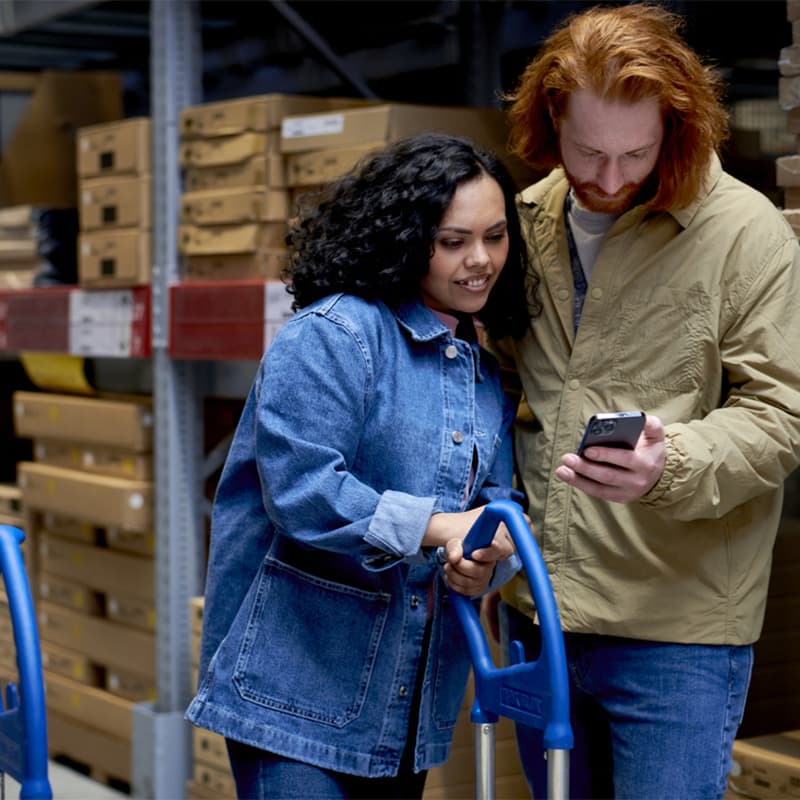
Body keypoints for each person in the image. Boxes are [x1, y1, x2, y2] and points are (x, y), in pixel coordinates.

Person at [484, 4, 800, 799]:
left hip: (675, 637)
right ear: (550, 115)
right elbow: (506, 393)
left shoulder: (745, 234)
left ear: (676, 124)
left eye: (638, 152)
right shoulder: (525, 223)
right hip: (541, 617)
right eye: (588, 151)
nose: (613, 177)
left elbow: (783, 413)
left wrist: (675, 461)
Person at [185, 132, 540, 799]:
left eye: (495, 237)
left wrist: (486, 560)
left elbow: (492, 507)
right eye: (453, 241)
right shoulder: (332, 337)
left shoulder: (482, 370)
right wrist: (440, 529)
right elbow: (304, 493)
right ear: (406, 241)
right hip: (293, 696)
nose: (481, 260)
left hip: (404, 709)